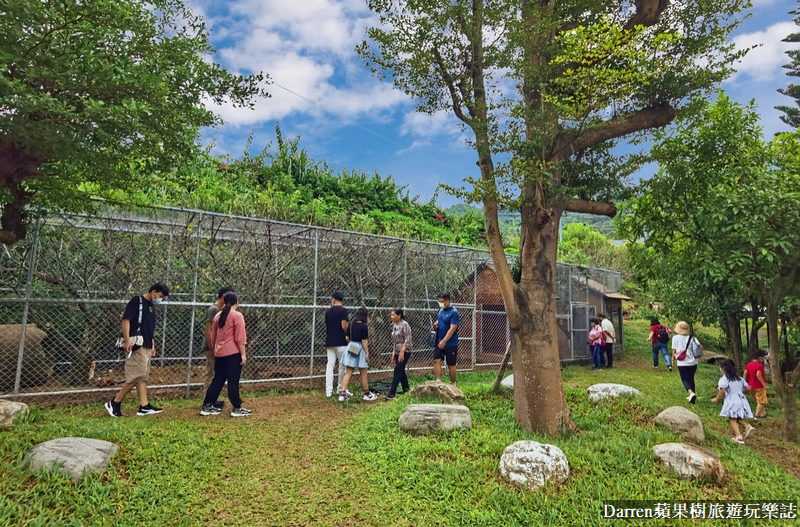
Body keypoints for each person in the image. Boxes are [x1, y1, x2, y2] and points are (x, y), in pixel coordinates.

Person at [105, 283, 170, 417]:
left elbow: (149, 327)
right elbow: (126, 320)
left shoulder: (151, 306)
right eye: (160, 296)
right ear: (153, 291)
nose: (160, 299)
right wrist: (127, 339)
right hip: (137, 344)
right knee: (135, 375)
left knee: (143, 376)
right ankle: (115, 402)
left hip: (146, 344)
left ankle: (144, 406)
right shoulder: (137, 301)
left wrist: (152, 344)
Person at [201, 292, 252, 417]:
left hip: (220, 353)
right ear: (236, 302)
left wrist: (216, 349)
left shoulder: (218, 315)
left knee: (218, 379)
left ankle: (207, 405)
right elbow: (240, 337)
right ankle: (237, 407)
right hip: (233, 353)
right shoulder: (237, 315)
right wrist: (243, 354)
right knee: (233, 380)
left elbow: (213, 336)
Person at [203, 286, 234, 410]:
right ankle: (208, 400)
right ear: (224, 296)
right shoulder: (214, 309)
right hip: (211, 348)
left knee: (216, 374)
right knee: (210, 373)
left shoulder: (220, 310)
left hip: (217, 348)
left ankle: (212, 399)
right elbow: (208, 330)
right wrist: (212, 348)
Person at [710, 359, 755, 444]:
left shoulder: (724, 379)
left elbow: (722, 390)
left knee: (732, 418)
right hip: (742, 399)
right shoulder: (739, 378)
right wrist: (742, 392)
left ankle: (738, 436)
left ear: (723, 369)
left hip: (732, 399)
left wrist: (716, 399)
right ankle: (747, 426)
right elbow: (748, 388)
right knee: (736, 417)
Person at [339, 307, 377, 402]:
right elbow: (364, 341)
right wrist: (367, 353)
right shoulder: (363, 326)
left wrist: (352, 343)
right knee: (363, 373)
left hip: (351, 347)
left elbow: (347, 337)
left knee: (348, 372)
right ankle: (367, 394)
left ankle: (342, 394)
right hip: (360, 349)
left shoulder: (351, 324)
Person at [325, 292, 351, 398]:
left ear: (334, 299)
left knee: (330, 365)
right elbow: (344, 325)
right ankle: (341, 388)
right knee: (342, 365)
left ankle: (328, 391)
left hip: (330, 341)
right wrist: (348, 334)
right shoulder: (343, 310)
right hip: (341, 341)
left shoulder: (328, 311)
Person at [672, 321, 702, 404]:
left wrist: (672, 360)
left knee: (685, 379)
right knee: (691, 378)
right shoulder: (692, 338)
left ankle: (691, 393)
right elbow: (701, 347)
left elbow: (674, 350)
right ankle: (693, 394)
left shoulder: (675, 338)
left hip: (682, 363)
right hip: (693, 362)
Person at [433, 293, 460, 384]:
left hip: (450, 343)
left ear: (448, 301)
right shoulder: (441, 310)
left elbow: (452, 329)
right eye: (439, 302)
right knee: (436, 360)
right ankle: (438, 381)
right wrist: (436, 323)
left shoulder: (454, 313)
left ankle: (453, 383)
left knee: (451, 364)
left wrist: (444, 341)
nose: (440, 303)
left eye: (442, 302)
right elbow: (440, 320)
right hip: (438, 340)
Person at [386, 309, 412, 401]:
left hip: (405, 351)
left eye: (393, 315)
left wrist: (402, 351)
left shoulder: (404, 324)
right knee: (401, 371)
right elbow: (395, 341)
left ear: (399, 315)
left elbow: (408, 339)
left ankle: (392, 393)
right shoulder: (394, 325)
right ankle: (406, 390)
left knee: (397, 369)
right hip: (397, 351)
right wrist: (394, 352)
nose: (391, 316)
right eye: (391, 315)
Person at [743, 349, 769, 419]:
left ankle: (764, 415)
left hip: (751, 386)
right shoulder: (760, 366)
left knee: (759, 401)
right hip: (759, 386)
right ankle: (756, 416)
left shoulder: (748, 365)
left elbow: (745, 374)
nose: (763, 359)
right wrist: (764, 384)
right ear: (760, 357)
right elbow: (758, 375)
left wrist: (745, 384)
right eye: (763, 357)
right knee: (761, 401)